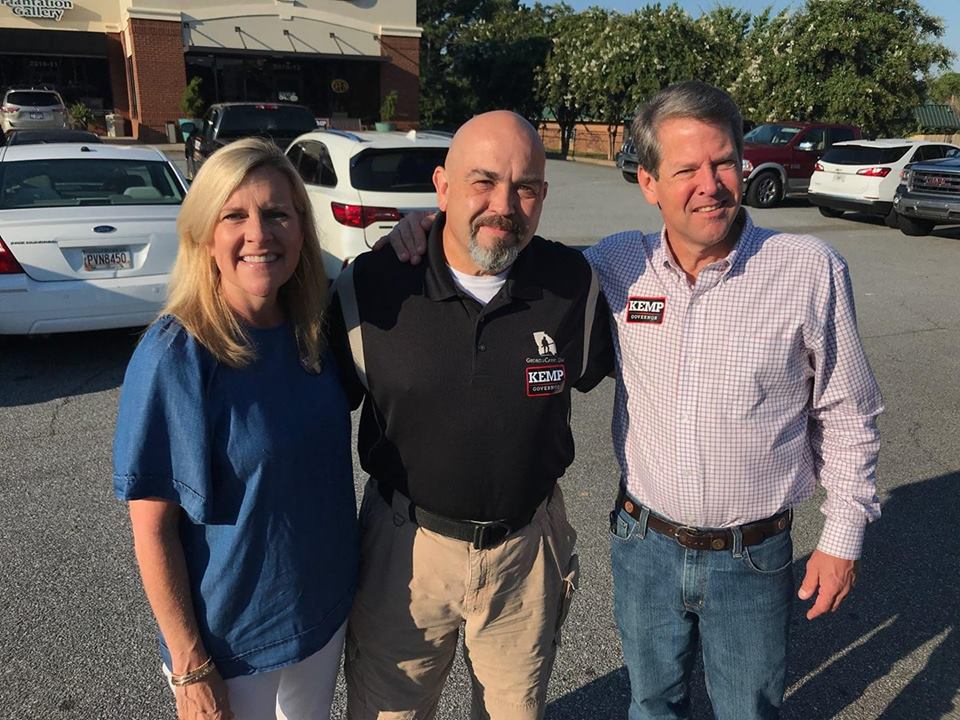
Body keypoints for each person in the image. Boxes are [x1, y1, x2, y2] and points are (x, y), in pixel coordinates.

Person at [383, 82, 883, 720]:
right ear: (648, 183)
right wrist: (428, 225)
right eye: (686, 169)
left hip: (751, 556)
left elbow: (850, 414)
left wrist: (842, 538)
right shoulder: (617, 265)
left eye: (724, 162)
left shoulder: (808, 269)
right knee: (650, 703)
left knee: (748, 710)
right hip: (644, 545)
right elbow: (505, 252)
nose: (711, 184)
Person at [329, 110, 613, 720]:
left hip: (524, 552)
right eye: (483, 181)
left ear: (543, 196)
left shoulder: (574, 285)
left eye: (526, 186)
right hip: (406, 553)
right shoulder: (373, 286)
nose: (504, 204)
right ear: (443, 186)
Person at [113, 138, 357, 720]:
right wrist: (190, 664)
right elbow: (152, 530)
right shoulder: (176, 355)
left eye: (277, 213)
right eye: (235, 216)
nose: (259, 234)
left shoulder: (312, 332)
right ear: (204, 233)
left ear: (302, 227)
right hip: (232, 643)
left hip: (321, 615)